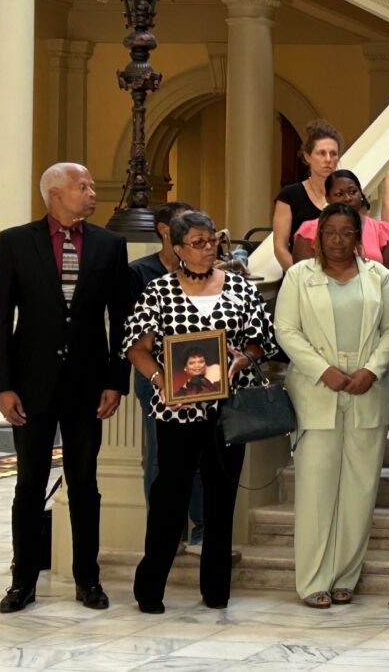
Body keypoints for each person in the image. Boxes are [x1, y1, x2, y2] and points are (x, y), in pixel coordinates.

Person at [0, 163, 131, 614]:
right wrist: (3, 386)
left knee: (85, 483)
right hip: (30, 385)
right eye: (83, 187)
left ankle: (87, 579)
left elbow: (122, 320)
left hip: (88, 386)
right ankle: (22, 581)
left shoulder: (110, 245)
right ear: (54, 193)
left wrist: (116, 380)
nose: (92, 193)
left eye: (91, 186)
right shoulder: (14, 242)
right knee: (29, 483)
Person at [123, 211, 277, 613]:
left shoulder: (241, 289)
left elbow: (264, 344)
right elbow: (136, 349)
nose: (208, 248)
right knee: (168, 500)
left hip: (228, 414)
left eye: (212, 240)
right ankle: (150, 588)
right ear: (177, 248)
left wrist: (240, 361)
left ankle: (216, 590)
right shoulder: (158, 291)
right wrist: (162, 382)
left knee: (221, 501)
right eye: (197, 242)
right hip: (175, 414)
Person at [275, 202, 389, 608]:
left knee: (360, 489)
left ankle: (346, 575)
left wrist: (373, 369)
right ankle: (313, 581)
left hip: (367, 389)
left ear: (358, 236)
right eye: (331, 233)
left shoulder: (378, 277)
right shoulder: (298, 276)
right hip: (317, 391)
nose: (340, 241)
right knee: (315, 489)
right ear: (318, 236)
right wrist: (321, 369)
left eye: (348, 233)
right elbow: (286, 330)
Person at [127, 202, 197, 511]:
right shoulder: (139, 272)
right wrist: (159, 379)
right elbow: (131, 331)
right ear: (164, 231)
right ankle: (164, 532)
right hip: (154, 375)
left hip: (199, 372)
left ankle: (200, 530)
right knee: (159, 454)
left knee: (199, 454)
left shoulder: (204, 271)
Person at [291, 169, 389, 268]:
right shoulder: (309, 230)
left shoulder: (383, 231)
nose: (347, 198)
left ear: (360, 193)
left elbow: (387, 281)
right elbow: (303, 277)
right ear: (328, 198)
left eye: (353, 192)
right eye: (339, 194)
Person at [272, 120, 342, 270]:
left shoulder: (345, 194)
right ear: (307, 156)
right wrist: (299, 277)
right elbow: (280, 248)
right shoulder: (289, 195)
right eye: (321, 153)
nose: (328, 160)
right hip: (299, 277)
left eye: (333, 154)